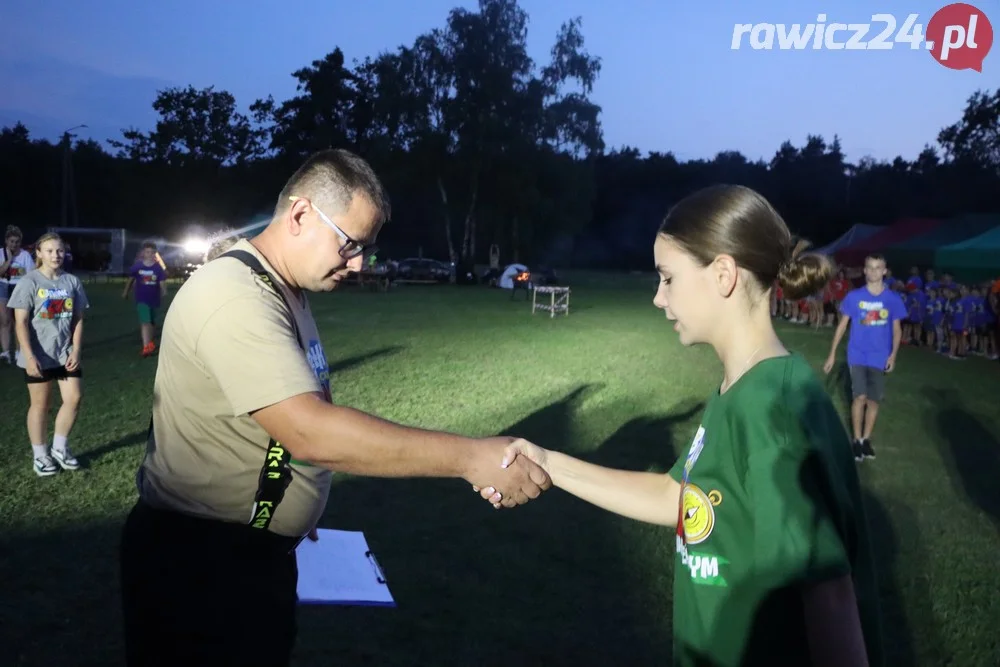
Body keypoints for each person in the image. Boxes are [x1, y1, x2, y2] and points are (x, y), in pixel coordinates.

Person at [118, 149, 551, 667]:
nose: (359, 264)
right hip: (199, 566)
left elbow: (282, 421)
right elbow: (310, 431)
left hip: (247, 555)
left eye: (365, 248)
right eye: (350, 244)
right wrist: (469, 458)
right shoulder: (235, 296)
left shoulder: (286, 291)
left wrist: (293, 505)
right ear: (300, 215)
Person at [481, 184, 883, 667]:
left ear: (723, 275)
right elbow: (679, 498)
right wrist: (548, 463)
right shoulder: (740, 389)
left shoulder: (771, 407)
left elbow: (829, 595)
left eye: (667, 278)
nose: (657, 297)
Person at [7, 232, 88, 476]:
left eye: (60, 250)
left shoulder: (72, 282)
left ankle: (60, 448)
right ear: (39, 254)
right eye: (50, 250)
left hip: (64, 353)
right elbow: (19, 323)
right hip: (38, 355)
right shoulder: (29, 282)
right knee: (41, 405)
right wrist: (29, 356)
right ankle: (40, 455)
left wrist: (76, 349)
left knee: (74, 398)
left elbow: (78, 319)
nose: (56, 255)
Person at [823, 254, 905, 461]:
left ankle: (866, 439)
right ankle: (856, 440)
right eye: (870, 267)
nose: (874, 271)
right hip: (857, 354)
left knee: (873, 400)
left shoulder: (892, 299)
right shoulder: (854, 297)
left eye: (878, 267)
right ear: (865, 271)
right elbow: (842, 325)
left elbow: (897, 330)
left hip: (879, 356)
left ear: (884, 271)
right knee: (859, 397)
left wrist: (893, 355)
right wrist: (832, 353)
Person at [122, 241, 169, 357]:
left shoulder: (158, 268)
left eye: (152, 252)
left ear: (155, 254)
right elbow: (130, 280)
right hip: (141, 299)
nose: (150, 254)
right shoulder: (138, 266)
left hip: (153, 299)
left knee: (152, 323)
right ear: (143, 253)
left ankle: (150, 344)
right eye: (147, 252)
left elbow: (162, 282)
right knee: (145, 322)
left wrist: (164, 292)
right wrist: (125, 292)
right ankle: (146, 347)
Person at [0, 224, 35, 364]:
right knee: (4, 320)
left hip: (19, 287)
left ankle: (20, 352)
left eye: (17, 242)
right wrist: (8, 260)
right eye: (11, 241)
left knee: (19, 321)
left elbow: (31, 274)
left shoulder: (25, 255)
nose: (14, 245)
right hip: (2, 286)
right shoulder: (1, 253)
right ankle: (6, 353)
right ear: (6, 241)